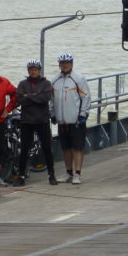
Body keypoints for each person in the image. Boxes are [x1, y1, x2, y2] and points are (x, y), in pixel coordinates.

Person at [13, 60, 59, 186]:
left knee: (47, 148)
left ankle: (51, 175)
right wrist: (34, 96)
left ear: (39, 71)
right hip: (27, 121)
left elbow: (45, 98)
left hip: (42, 120)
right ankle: (21, 176)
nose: (33, 71)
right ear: (28, 71)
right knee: (24, 149)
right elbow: (20, 99)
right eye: (31, 69)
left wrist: (29, 96)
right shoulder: (22, 83)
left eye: (35, 69)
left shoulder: (46, 83)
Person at [50, 52, 91, 185]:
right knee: (66, 148)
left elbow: (86, 97)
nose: (64, 65)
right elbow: (51, 100)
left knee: (77, 148)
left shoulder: (79, 78)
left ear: (71, 64)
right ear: (59, 65)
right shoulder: (54, 80)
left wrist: (83, 114)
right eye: (62, 63)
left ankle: (77, 174)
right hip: (62, 121)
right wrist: (52, 114)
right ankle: (68, 173)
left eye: (67, 63)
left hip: (76, 120)